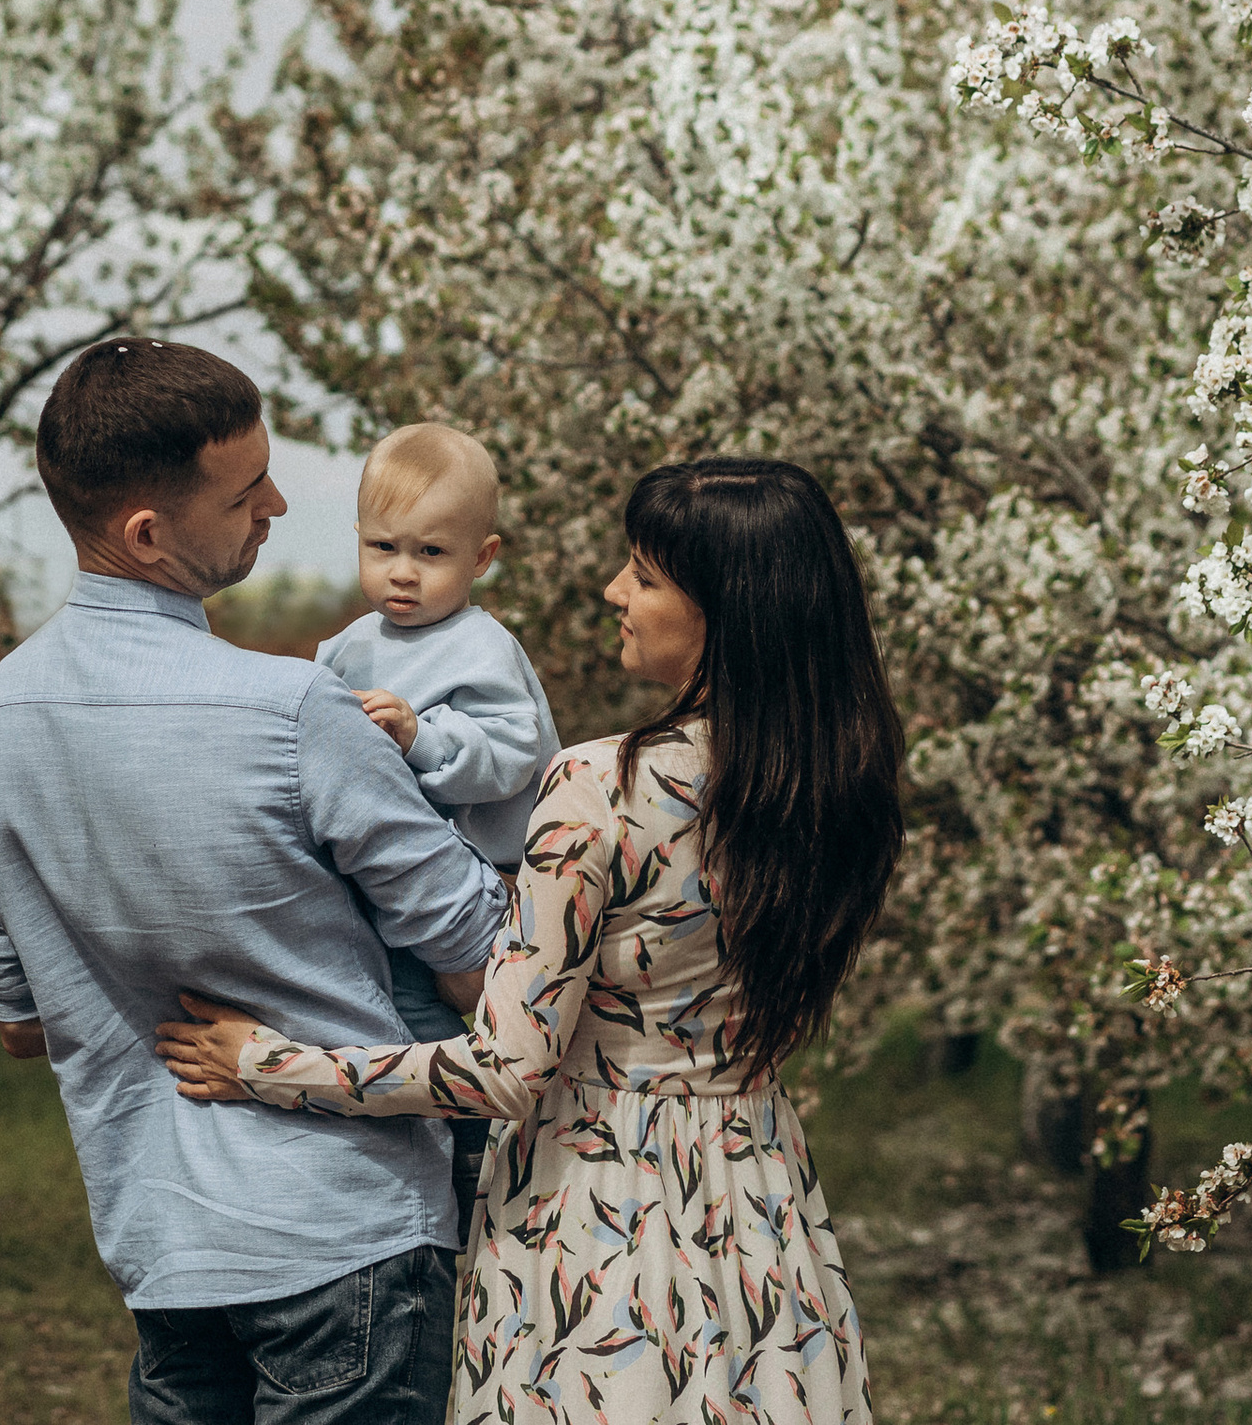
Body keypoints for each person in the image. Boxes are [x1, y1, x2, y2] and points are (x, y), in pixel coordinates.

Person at [157, 456, 904, 1425]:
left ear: (726, 606)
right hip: (759, 1201)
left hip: (597, 1216)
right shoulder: (839, 789)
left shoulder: (599, 786)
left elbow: (504, 1068)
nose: (613, 591)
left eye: (642, 572)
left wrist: (269, 1062)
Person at [0, 340, 509, 1424]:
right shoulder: (293, 713)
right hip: (352, 1236)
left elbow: (21, 1024)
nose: (279, 503)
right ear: (147, 533)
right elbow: (480, 964)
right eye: (247, 490)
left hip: (162, 1244)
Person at [313, 422, 559, 1238]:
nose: (403, 574)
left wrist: (423, 737)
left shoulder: (482, 647)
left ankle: (466, 1169)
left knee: (452, 1039)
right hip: (386, 891)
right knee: (381, 1016)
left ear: (482, 559)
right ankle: (392, 1163)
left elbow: (512, 756)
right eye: (384, 547)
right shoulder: (345, 650)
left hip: (483, 884)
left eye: (431, 553)